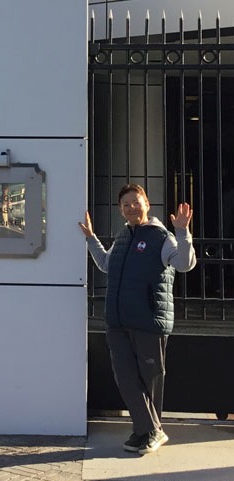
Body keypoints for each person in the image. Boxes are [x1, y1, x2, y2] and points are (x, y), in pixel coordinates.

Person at [79, 184, 196, 455]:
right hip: (118, 322)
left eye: (136, 202)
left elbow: (184, 264)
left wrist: (182, 231)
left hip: (149, 321)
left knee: (149, 379)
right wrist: (91, 238)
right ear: (121, 210)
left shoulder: (161, 237)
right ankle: (149, 430)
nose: (131, 207)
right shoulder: (122, 237)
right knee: (126, 378)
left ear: (147, 204)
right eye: (125, 204)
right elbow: (106, 264)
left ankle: (147, 431)